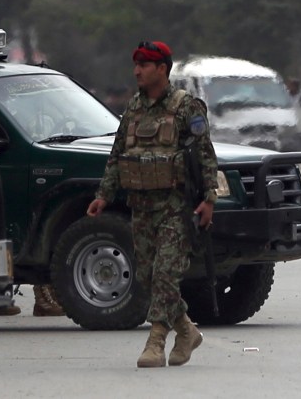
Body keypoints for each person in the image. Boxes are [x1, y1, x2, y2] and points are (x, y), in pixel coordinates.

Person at [86, 40, 218, 368]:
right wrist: (103, 195)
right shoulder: (133, 108)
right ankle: (186, 330)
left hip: (175, 206)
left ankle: (156, 341)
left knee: (164, 274)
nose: (137, 71)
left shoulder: (187, 106)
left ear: (162, 69)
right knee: (145, 275)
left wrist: (209, 200)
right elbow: (117, 155)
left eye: (144, 65)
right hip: (141, 206)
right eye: (136, 65)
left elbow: (205, 156)